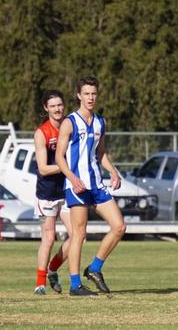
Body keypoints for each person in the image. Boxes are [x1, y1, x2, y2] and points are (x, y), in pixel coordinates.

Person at [55, 76, 126, 296]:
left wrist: (113, 171)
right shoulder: (70, 122)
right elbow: (59, 156)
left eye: (93, 93)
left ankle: (94, 269)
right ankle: (75, 284)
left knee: (119, 226)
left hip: (96, 184)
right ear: (79, 95)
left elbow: (100, 153)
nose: (90, 97)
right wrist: (72, 178)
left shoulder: (100, 122)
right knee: (79, 233)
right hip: (76, 186)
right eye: (86, 93)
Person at [33, 90, 73, 295]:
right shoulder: (42, 133)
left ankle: (53, 269)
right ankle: (40, 283)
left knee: (77, 236)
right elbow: (42, 168)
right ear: (46, 108)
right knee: (49, 238)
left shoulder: (70, 125)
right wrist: (66, 167)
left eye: (60, 105)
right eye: (53, 106)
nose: (58, 109)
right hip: (47, 192)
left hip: (67, 190)